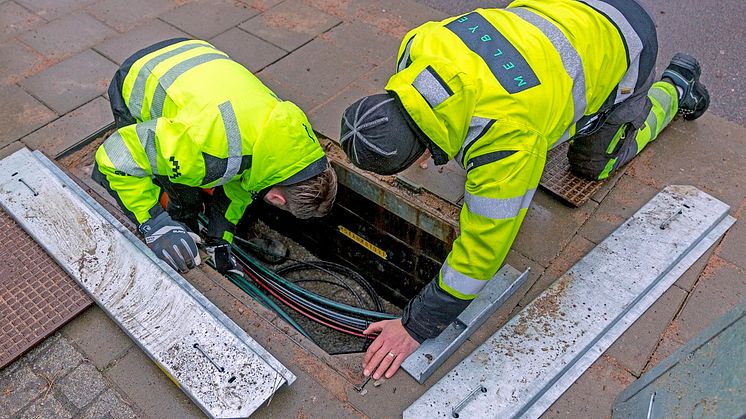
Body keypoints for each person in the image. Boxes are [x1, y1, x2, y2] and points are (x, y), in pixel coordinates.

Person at [339, 0, 709, 380]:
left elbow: (482, 252)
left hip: (626, 38)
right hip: (560, 12)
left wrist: (416, 326)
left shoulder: (507, 140)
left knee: (593, 166)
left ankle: (675, 90)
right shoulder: (419, 45)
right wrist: (425, 134)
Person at [94, 38, 337, 275]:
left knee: (195, 175)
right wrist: (154, 225)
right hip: (141, 76)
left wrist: (219, 239)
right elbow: (114, 159)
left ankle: (198, 234)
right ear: (276, 198)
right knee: (183, 193)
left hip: (193, 52)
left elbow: (240, 190)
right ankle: (181, 228)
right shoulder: (203, 150)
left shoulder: (291, 142)